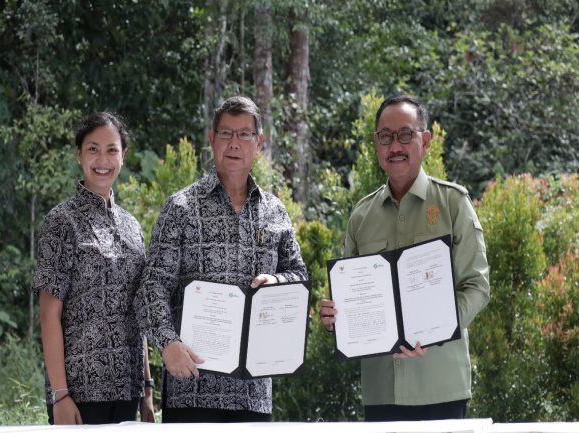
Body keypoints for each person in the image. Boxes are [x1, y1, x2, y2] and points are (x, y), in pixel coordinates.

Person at [136, 96, 308, 423]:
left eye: (244, 134)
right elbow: (151, 287)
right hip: (191, 390)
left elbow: (298, 276)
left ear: (259, 143)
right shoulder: (181, 208)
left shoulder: (274, 211)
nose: (234, 143)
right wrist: (167, 344)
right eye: (226, 133)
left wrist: (277, 281)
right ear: (212, 139)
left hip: (253, 394)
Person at [320, 95, 490, 421]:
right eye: (386, 136)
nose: (394, 145)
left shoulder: (454, 204)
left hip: (440, 386)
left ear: (424, 141)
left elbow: (477, 287)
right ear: (376, 144)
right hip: (380, 391)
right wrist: (333, 316)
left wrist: (438, 330)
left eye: (405, 134)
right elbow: (349, 299)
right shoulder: (361, 217)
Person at [32, 112, 155, 425]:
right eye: (93, 149)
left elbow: (138, 312)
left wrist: (147, 391)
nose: (103, 159)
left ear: (123, 156)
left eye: (112, 150)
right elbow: (49, 315)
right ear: (79, 154)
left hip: (127, 391)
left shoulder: (132, 226)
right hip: (79, 394)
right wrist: (60, 395)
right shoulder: (62, 221)